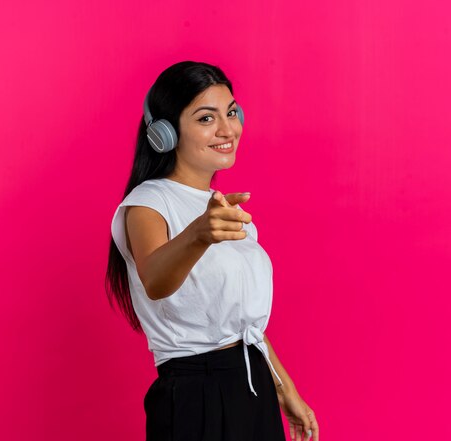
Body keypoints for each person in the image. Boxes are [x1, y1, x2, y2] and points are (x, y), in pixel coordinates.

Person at [106, 61, 319, 441]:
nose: (227, 130)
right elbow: (154, 279)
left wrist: (286, 391)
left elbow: (244, 323)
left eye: (232, 112)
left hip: (252, 385)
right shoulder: (148, 204)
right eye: (207, 118)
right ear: (165, 134)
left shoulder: (221, 207)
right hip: (196, 393)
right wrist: (197, 235)